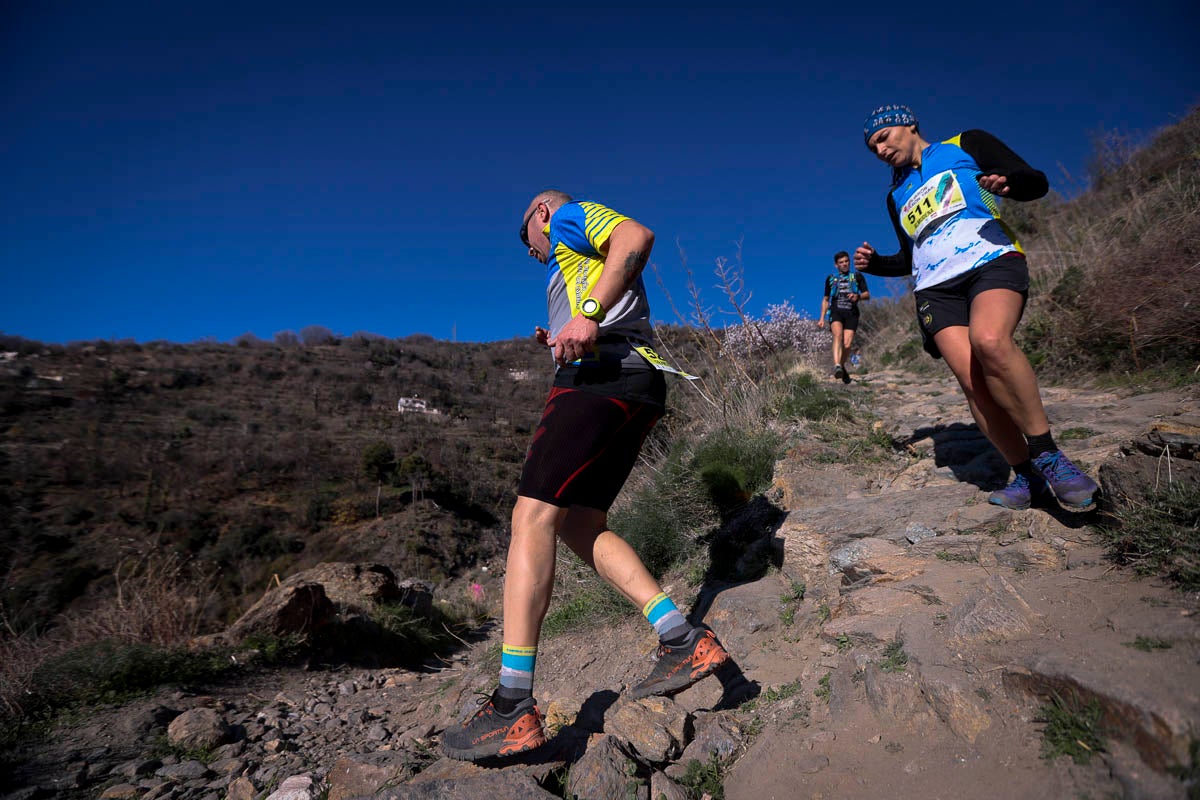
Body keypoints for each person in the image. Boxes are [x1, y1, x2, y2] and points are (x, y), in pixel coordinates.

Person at [441, 190, 730, 762]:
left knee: (532, 516)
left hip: (600, 377)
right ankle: (681, 638)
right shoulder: (570, 262)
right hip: (633, 381)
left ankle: (511, 705)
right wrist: (565, 327)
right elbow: (597, 289)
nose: (533, 253)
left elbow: (636, 237)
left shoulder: (568, 215)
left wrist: (588, 316)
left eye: (530, 240)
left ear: (541, 215)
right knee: (579, 525)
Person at [853, 105, 1099, 511]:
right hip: (934, 289)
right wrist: (876, 263)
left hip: (990, 260)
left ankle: (1050, 457)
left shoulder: (965, 143)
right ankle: (1026, 477)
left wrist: (1009, 184)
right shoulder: (895, 195)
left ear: (909, 124)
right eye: (871, 147)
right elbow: (908, 256)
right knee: (973, 382)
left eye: (883, 137)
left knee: (990, 342)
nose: (879, 149)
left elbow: (1034, 182)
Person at [817, 250, 869, 383]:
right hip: (836, 312)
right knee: (837, 335)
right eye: (841, 262)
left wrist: (857, 296)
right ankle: (837, 365)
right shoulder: (831, 279)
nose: (844, 264)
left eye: (846, 261)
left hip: (852, 313)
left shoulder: (857, 276)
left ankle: (842, 365)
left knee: (847, 343)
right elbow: (826, 299)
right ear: (836, 265)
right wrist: (822, 318)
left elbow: (867, 295)